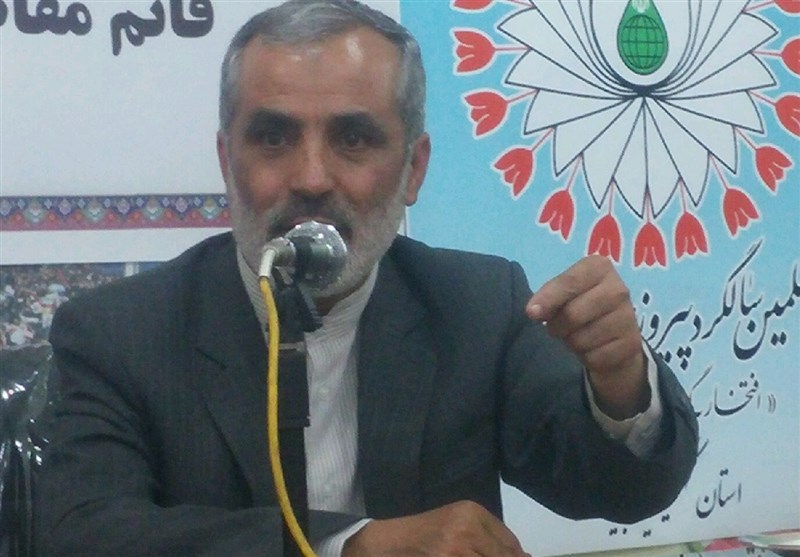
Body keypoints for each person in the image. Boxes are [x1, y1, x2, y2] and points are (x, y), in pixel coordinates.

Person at [34, 1, 699, 556]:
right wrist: (352, 545)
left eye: (353, 139)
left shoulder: (477, 303)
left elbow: (617, 491)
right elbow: (82, 535)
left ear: (413, 169)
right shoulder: (118, 332)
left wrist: (619, 386)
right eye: (273, 138)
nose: (311, 178)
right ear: (225, 160)